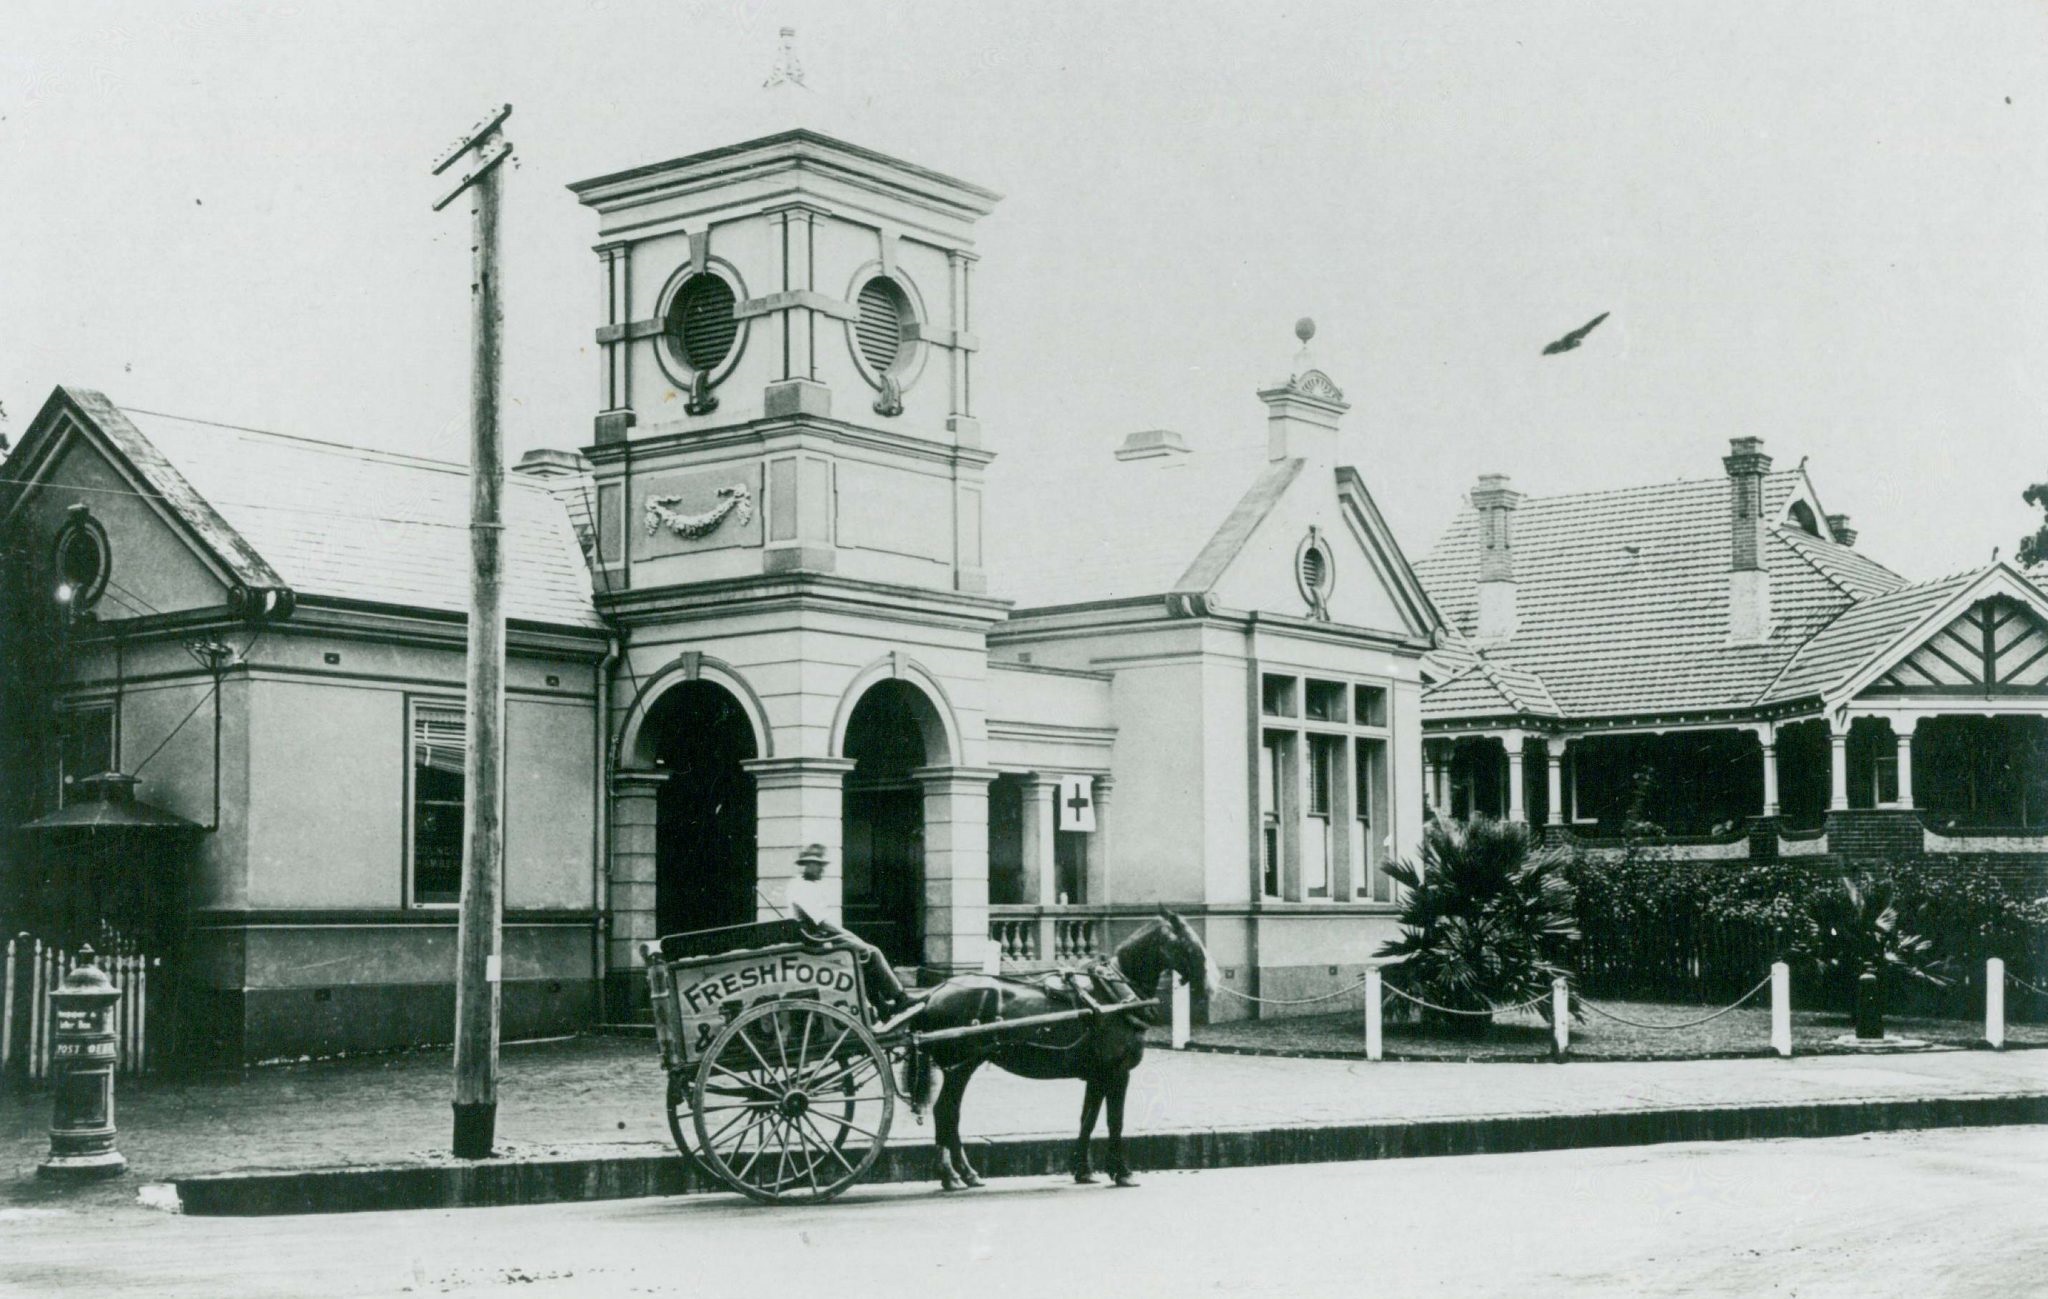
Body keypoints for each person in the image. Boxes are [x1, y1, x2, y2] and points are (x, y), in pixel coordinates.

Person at [784, 843, 922, 1017]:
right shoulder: (801, 887)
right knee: (872, 952)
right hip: (816, 942)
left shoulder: (804, 885)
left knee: (864, 957)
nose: (822, 870)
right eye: (819, 865)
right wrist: (852, 937)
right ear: (808, 864)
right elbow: (823, 923)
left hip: (817, 938)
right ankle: (900, 998)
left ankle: (881, 1006)